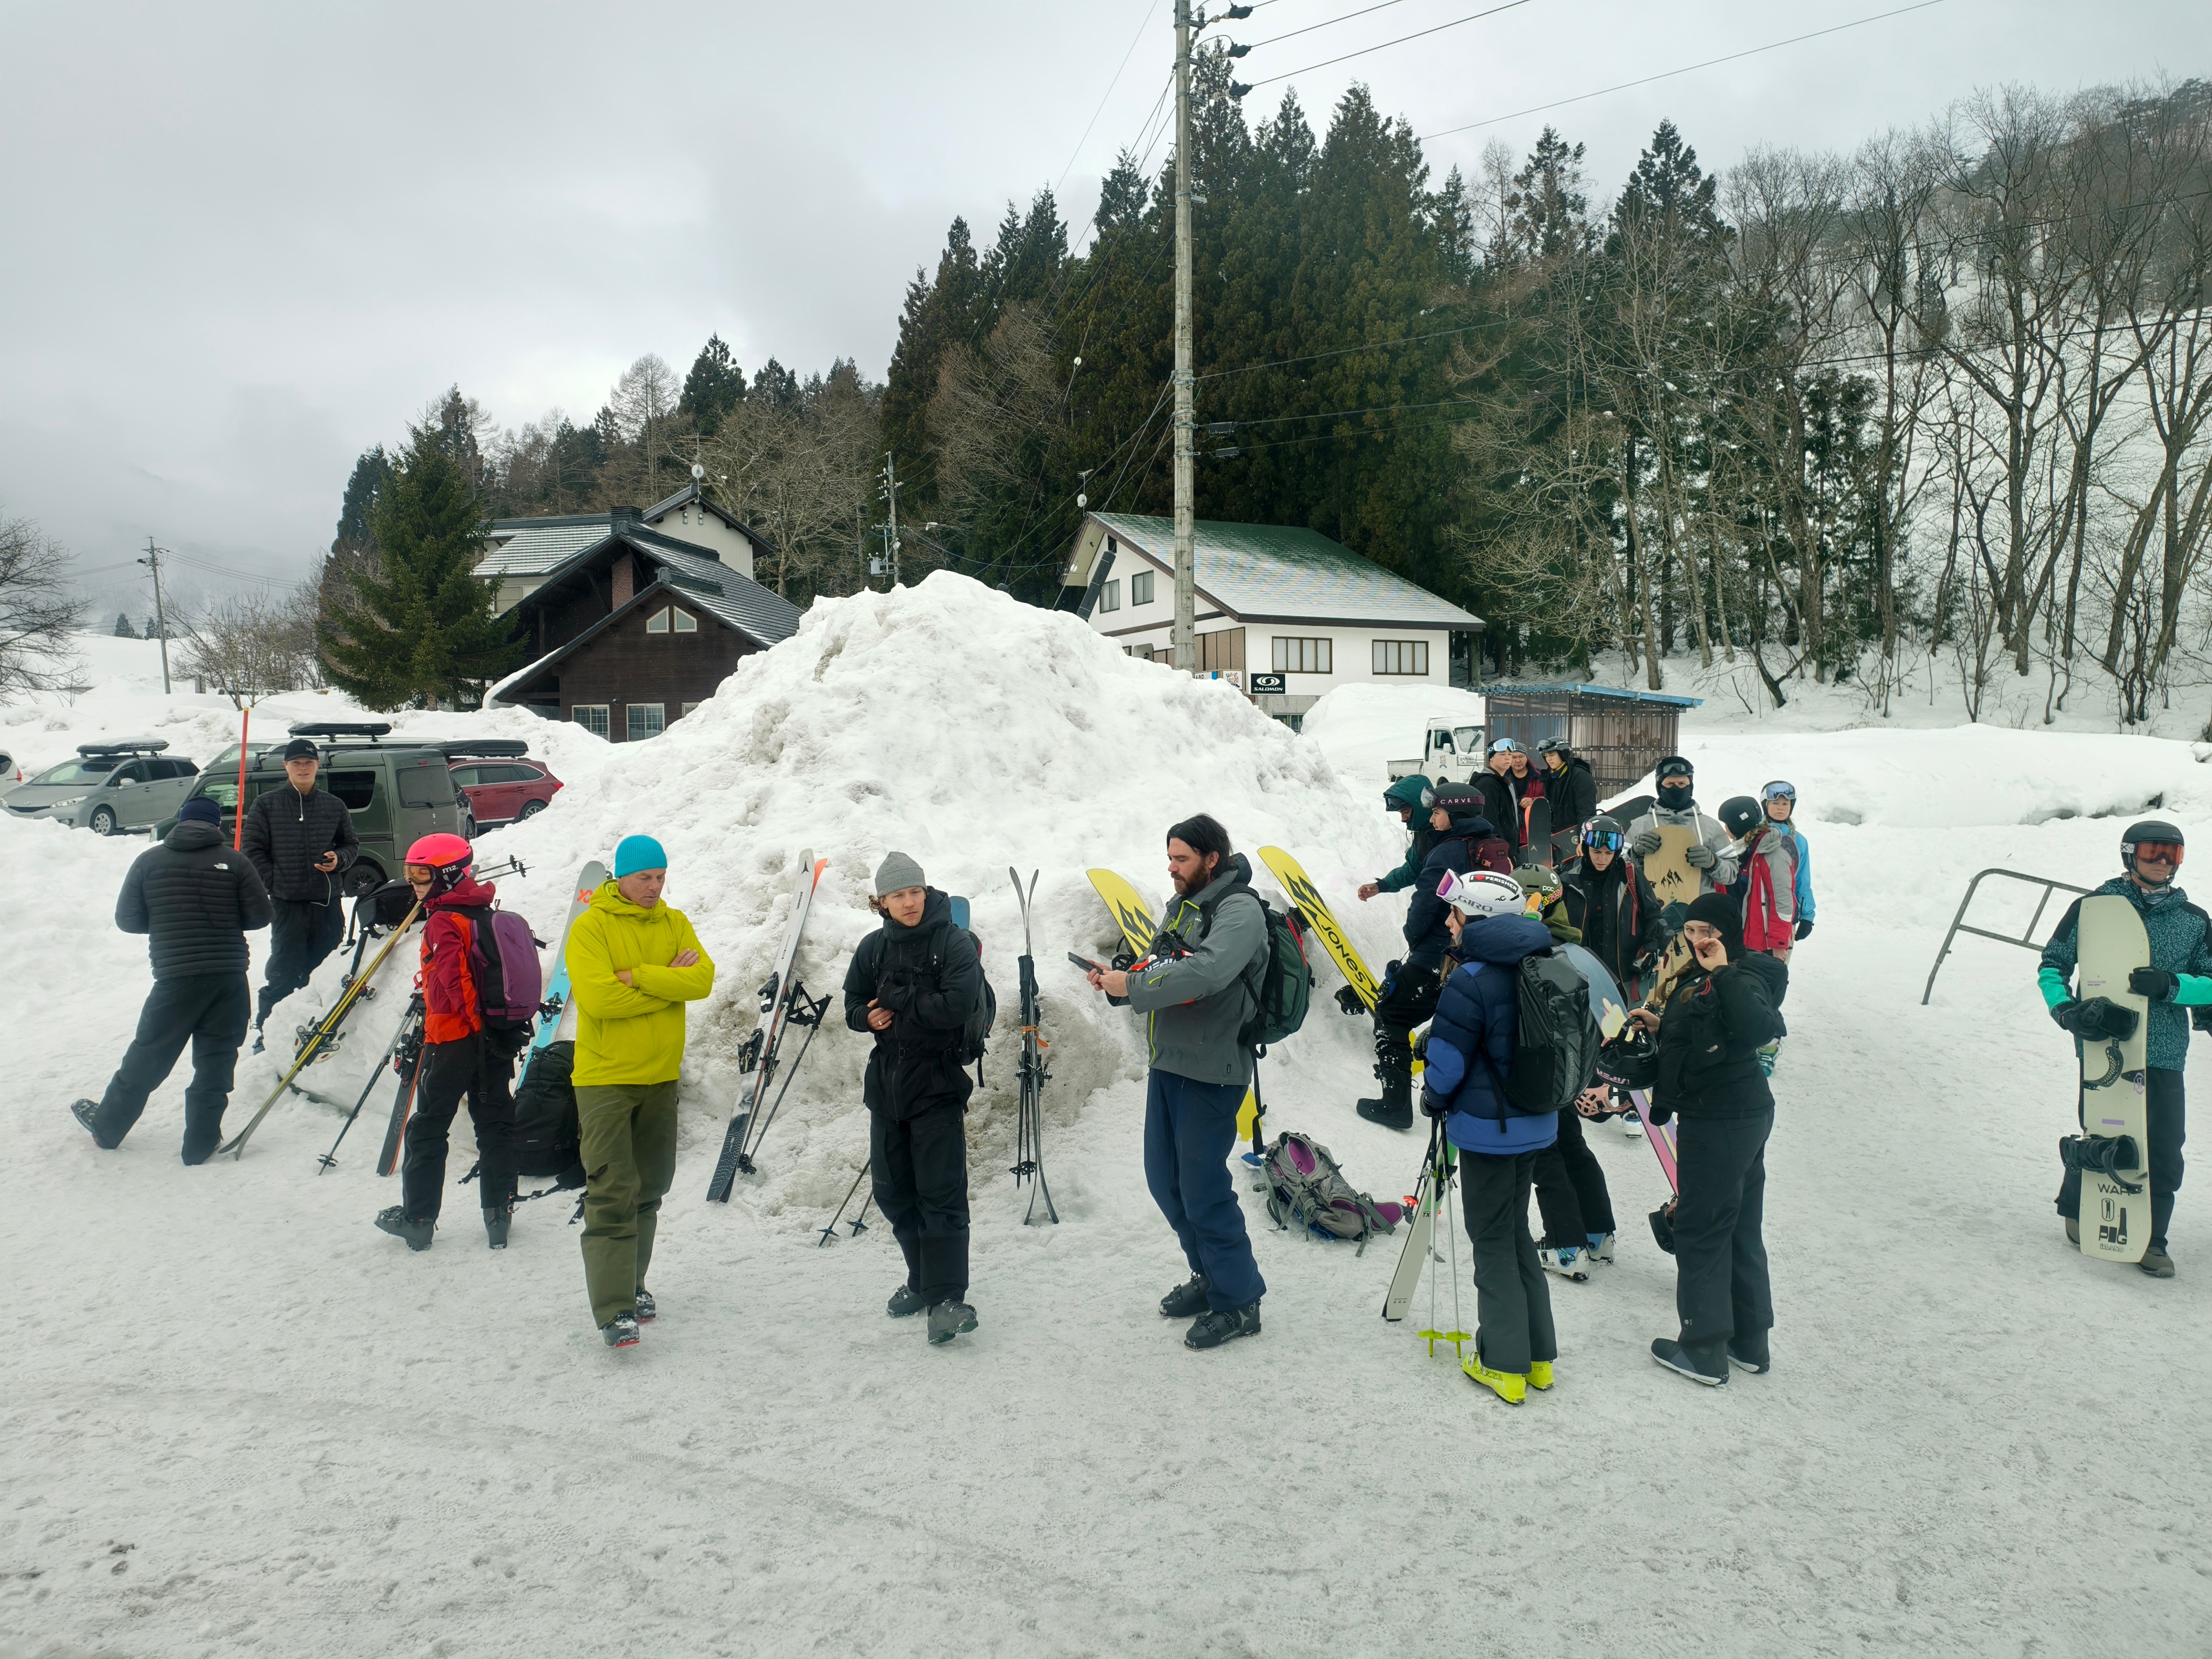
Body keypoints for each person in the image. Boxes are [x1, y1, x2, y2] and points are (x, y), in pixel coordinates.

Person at [1084, 814, 1270, 1350]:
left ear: (1212, 859)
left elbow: (1209, 972)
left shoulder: (1239, 910)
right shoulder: (1185, 907)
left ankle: (1239, 1301)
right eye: (1169, 858)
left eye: (1181, 858)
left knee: (1202, 1188)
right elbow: (1165, 966)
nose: (1171, 868)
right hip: (1171, 1062)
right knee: (1165, 1180)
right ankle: (1209, 1275)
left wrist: (1137, 983)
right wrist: (1122, 983)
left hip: (1213, 1069)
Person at [2039, 820, 2212, 1278]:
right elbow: (2052, 965)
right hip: (2104, 1045)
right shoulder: (2093, 909)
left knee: (2163, 1146)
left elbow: (2211, 985)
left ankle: (2152, 1238)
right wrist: (2066, 1012)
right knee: (2104, 1130)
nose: (2162, 862)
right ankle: (2080, 1207)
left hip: (2162, 1051)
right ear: (2130, 854)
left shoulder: (2195, 921)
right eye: (2154, 851)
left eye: (2172, 855)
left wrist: (2173, 986)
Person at [564, 835, 717, 1348]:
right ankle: (614, 1311)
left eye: (660, 878)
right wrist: (663, 987)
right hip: (605, 1078)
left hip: (661, 1076)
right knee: (612, 1190)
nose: (654, 888)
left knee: (650, 1187)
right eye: (644, 879)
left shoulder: (674, 923)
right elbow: (598, 999)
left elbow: (702, 981)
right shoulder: (591, 929)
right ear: (620, 878)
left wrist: (637, 978)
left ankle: (635, 1285)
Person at [1630, 891, 1787, 1386]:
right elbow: (1714, 1028)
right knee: (1739, 1225)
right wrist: (1662, 1023)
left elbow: (1761, 1028)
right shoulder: (1712, 975)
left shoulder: (1742, 974)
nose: (1698, 940)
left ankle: (1702, 1350)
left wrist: (1721, 971)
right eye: (1693, 930)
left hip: (1721, 1119)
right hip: (1737, 1114)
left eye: (1709, 932)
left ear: (1728, 934)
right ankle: (1747, 1341)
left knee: (1701, 1230)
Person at [1417, 867, 1560, 1405]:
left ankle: (1502, 1363)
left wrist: (1431, 1098)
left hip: (1489, 1131)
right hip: (1534, 1121)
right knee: (1515, 1233)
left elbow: (1447, 1062)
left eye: (1455, 914)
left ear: (1476, 919)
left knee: (1493, 1239)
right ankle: (1537, 1357)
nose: (1449, 924)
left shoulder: (1471, 979)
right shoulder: (1541, 961)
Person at [71, 795, 272, 1163]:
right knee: (216, 1061)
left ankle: (108, 1129)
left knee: (148, 1056)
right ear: (216, 827)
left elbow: (128, 921)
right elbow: (260, 916)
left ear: (181, 822)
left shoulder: (148, 861)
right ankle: (199, 1145)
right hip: (228, 979)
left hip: (176, 978)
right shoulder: (235, 861)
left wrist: (169, 922)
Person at [844, 852, 984, 1345]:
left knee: (940, 1197)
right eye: (898, 895)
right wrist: (868, 1018)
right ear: (880, 902)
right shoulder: (873, 948)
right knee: (893, 1192)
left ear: (926, 893)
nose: (909, 903)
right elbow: (853, 1003)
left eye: (915, 892)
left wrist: (899, 1000)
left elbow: (956, 1007)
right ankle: (922, 1280)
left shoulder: (954, 943)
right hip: (886, 1086)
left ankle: (947, 1298)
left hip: (937, 1084)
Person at [373, 834, 523, 1254]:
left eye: (423, 874)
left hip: (456, 1038)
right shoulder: (481, 909)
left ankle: (418, 1219)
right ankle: (499, 1215)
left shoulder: (443, 920)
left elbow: (457, 984)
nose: (415, 883)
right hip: (494, 1035)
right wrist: (490, 1038)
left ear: (449, 874)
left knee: (427, 1129)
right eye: (410, 874)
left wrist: (472, 1034)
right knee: (494, 1124)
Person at [1358, 782, 1498, 1129]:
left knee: (1392, 1012)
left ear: (1453, 815)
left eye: (1437, 812)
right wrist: (1383, 885)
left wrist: (1413, 937)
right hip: (1474, 952)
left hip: (1438, 951)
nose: (1431, 818)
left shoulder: (1446, 851)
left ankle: (1395, 1106)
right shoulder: (1482, 842)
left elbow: (1425, 902)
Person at [1512, 867, 1618, 1279]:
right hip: (1576, 1071)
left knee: (1546, 1154)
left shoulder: (1536, 956)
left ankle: (1566, 1246)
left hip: (1546, 1072)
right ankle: (1597, 1233)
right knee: (1572, 1146)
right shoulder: (1578, 951)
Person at [242, 736, 359, 1046]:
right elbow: (251, 850)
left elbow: (352, 846)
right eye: (297, 763)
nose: (303, 768)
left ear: (317, 766)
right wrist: (276, 883)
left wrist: (340, 860)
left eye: (309, 762)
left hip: (327, 903)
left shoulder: (334, 806)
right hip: (287, 905)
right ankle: (268, 1037)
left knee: (326, 973)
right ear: (286, 767)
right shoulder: (266, 805)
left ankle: (323, 1034)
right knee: (283, 972)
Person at [1564, 815, 1663, 999]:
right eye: (1596, 852)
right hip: (1581, 974)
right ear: (1585, 848)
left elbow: (1653, 915)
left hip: (1625, 973)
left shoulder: (1630, 877)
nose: (1602, 859)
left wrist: (1653, 949)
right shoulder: (1569, 880)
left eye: (1609, 854)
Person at [1626, 756, 1737, 902]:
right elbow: (1619, 870)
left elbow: (1731, 875)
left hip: (1698, 913)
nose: (1676, 788)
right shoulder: (1641, 826)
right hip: (1652, 912)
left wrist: (1713, 863)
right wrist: (1634, 854)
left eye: (1682, 783)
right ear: (1660, 787)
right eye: (1670, 784)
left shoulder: (1709, 827)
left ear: (1691, 786)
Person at [1356, 774, 1435, 903]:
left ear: (1420, 807)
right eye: (1401, 813)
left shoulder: (1439, 833)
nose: (1403, 819)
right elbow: (1413, 869)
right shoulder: (1423, 832)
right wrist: (1381, 886)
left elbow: (1435, 885)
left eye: (1406, 812)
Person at [1757, 781, 1815, 948]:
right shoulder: (1752, 834)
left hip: (1786, 913)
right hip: (1754, 910)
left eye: (1785, 804)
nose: (1781, 808)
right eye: (1775, 803)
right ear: (1765, 805)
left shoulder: (1800, 841)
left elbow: (1803, 880)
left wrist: (1807, 917)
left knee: (1778, 966)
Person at [1536, 737, 1599, 863]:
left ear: (1563, 754)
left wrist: (1584, 840)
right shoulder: (1550, 776)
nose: (1549, 759)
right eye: (1546, 756)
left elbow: (1586, 811)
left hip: (1575, 838)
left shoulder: (1580, 775)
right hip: (1557, 839)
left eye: (1552, 755)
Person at [1472, 740, 1525, 860]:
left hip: (1509, 848)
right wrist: (1501, 851)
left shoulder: (1505, 781)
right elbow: (1490, 821)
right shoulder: (1487, 783)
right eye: (1502, 755)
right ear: (1491, 758)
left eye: (1510, 755)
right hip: (1499, 853)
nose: (1508, 758)